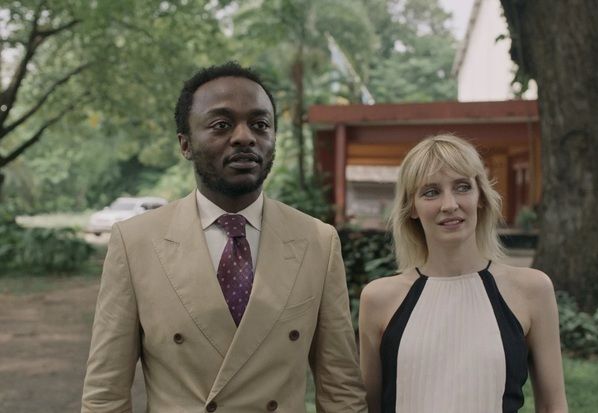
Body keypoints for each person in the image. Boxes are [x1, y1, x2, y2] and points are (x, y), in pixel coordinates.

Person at [82, 61, 367, 413]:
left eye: (260, 124)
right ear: (185, 144)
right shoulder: (135, 242)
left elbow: (341, 390)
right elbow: (105, 396)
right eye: (222, 124)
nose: (245, 137)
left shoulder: (318, 242)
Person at [358, 134, 568, 413]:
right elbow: (369, 407)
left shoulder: (532, 290)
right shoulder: (378, 299)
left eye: (462, 187)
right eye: (431, 192)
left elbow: (553, 405)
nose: (449, 204)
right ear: (412, 208)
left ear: (480, 197)